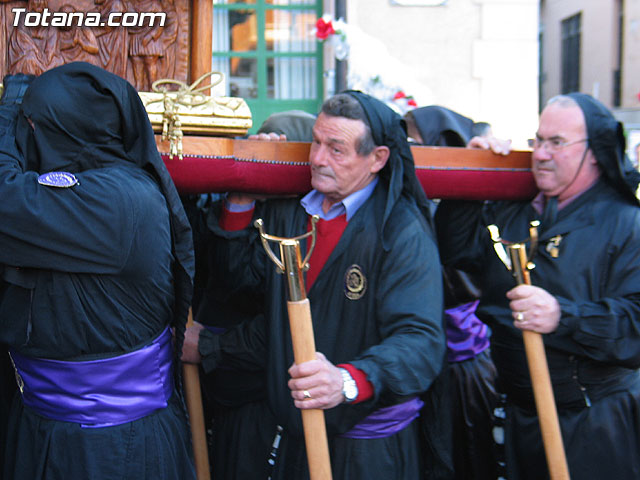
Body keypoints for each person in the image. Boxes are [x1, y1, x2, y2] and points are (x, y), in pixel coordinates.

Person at [183, 91, 447, 479]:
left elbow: (421, 342)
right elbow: (251, 295)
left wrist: (347, 381)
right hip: (293, 437)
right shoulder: (293, 212)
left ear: (377, 159)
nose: (318, 159)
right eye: (316, 143)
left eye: (336, 149)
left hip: (365, 452)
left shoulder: (401, 231)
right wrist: (240, 200)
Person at [0, 62, 195, 479]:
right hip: (44, 427)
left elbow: (5, 204)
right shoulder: (98, 189)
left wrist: (8, 109)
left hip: (109, 447)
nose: (25, 137)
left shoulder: (121, 200)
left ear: (69, 131)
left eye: (32, 127)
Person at [435, 93, 640, 479]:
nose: (541, 153)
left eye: (556, 142)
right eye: (538, 140)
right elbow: (456, 251)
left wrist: (563, 317)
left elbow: (636, 324)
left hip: (597, 423)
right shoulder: (515, 212)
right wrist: (475, 169)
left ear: (595, 150)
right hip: (522, 417)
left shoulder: (628, 223)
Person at [405, 105, 501, 479]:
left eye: (417, 142)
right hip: (421, 358)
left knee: (465, 460)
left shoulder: (471, 206)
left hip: (462, 365)